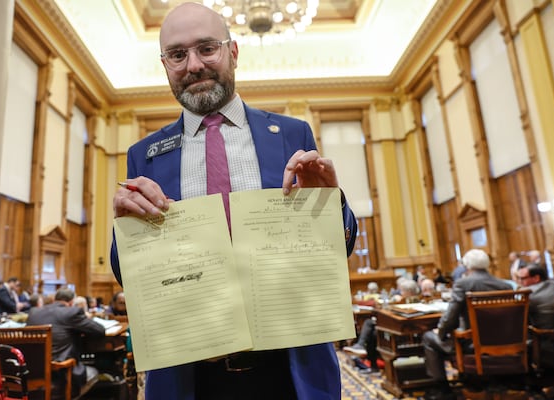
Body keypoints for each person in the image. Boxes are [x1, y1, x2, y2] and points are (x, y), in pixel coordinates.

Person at [109, 3, 358, 399]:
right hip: (189, 376)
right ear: (165, 64)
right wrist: (126, 230)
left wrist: (331, 204)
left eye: (207, 48)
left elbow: (333, 251)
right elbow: (133, 278)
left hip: (292, 371)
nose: (193, 65)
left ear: (233, 52)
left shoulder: (293, 134)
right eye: (177, 54)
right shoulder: (146, 155)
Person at [422, 249, 512, 400]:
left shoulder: (463, 283)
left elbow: (450, 318)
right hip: (504, 342)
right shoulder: (505, 285)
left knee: (428, 337)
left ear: (467, 266)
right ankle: (477, 380)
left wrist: (441, 332)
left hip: (472, 344)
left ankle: (443, 390)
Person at [27, 288, 105, 397]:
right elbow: (100, 331)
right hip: (62, 372)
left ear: (55, 299)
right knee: (94, 373)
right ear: (72, 302)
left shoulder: (34, 312)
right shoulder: (72, 312)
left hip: (33, 372)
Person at [343, 279, 420, 373]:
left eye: (402, 291)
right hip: (399, 330)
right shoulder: (410, 300)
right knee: (371, 330)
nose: (401, 293)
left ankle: (363, 350)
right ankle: (362, 348)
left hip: (402, 335)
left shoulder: (405, 302)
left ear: (409, 292)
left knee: (372, 331)